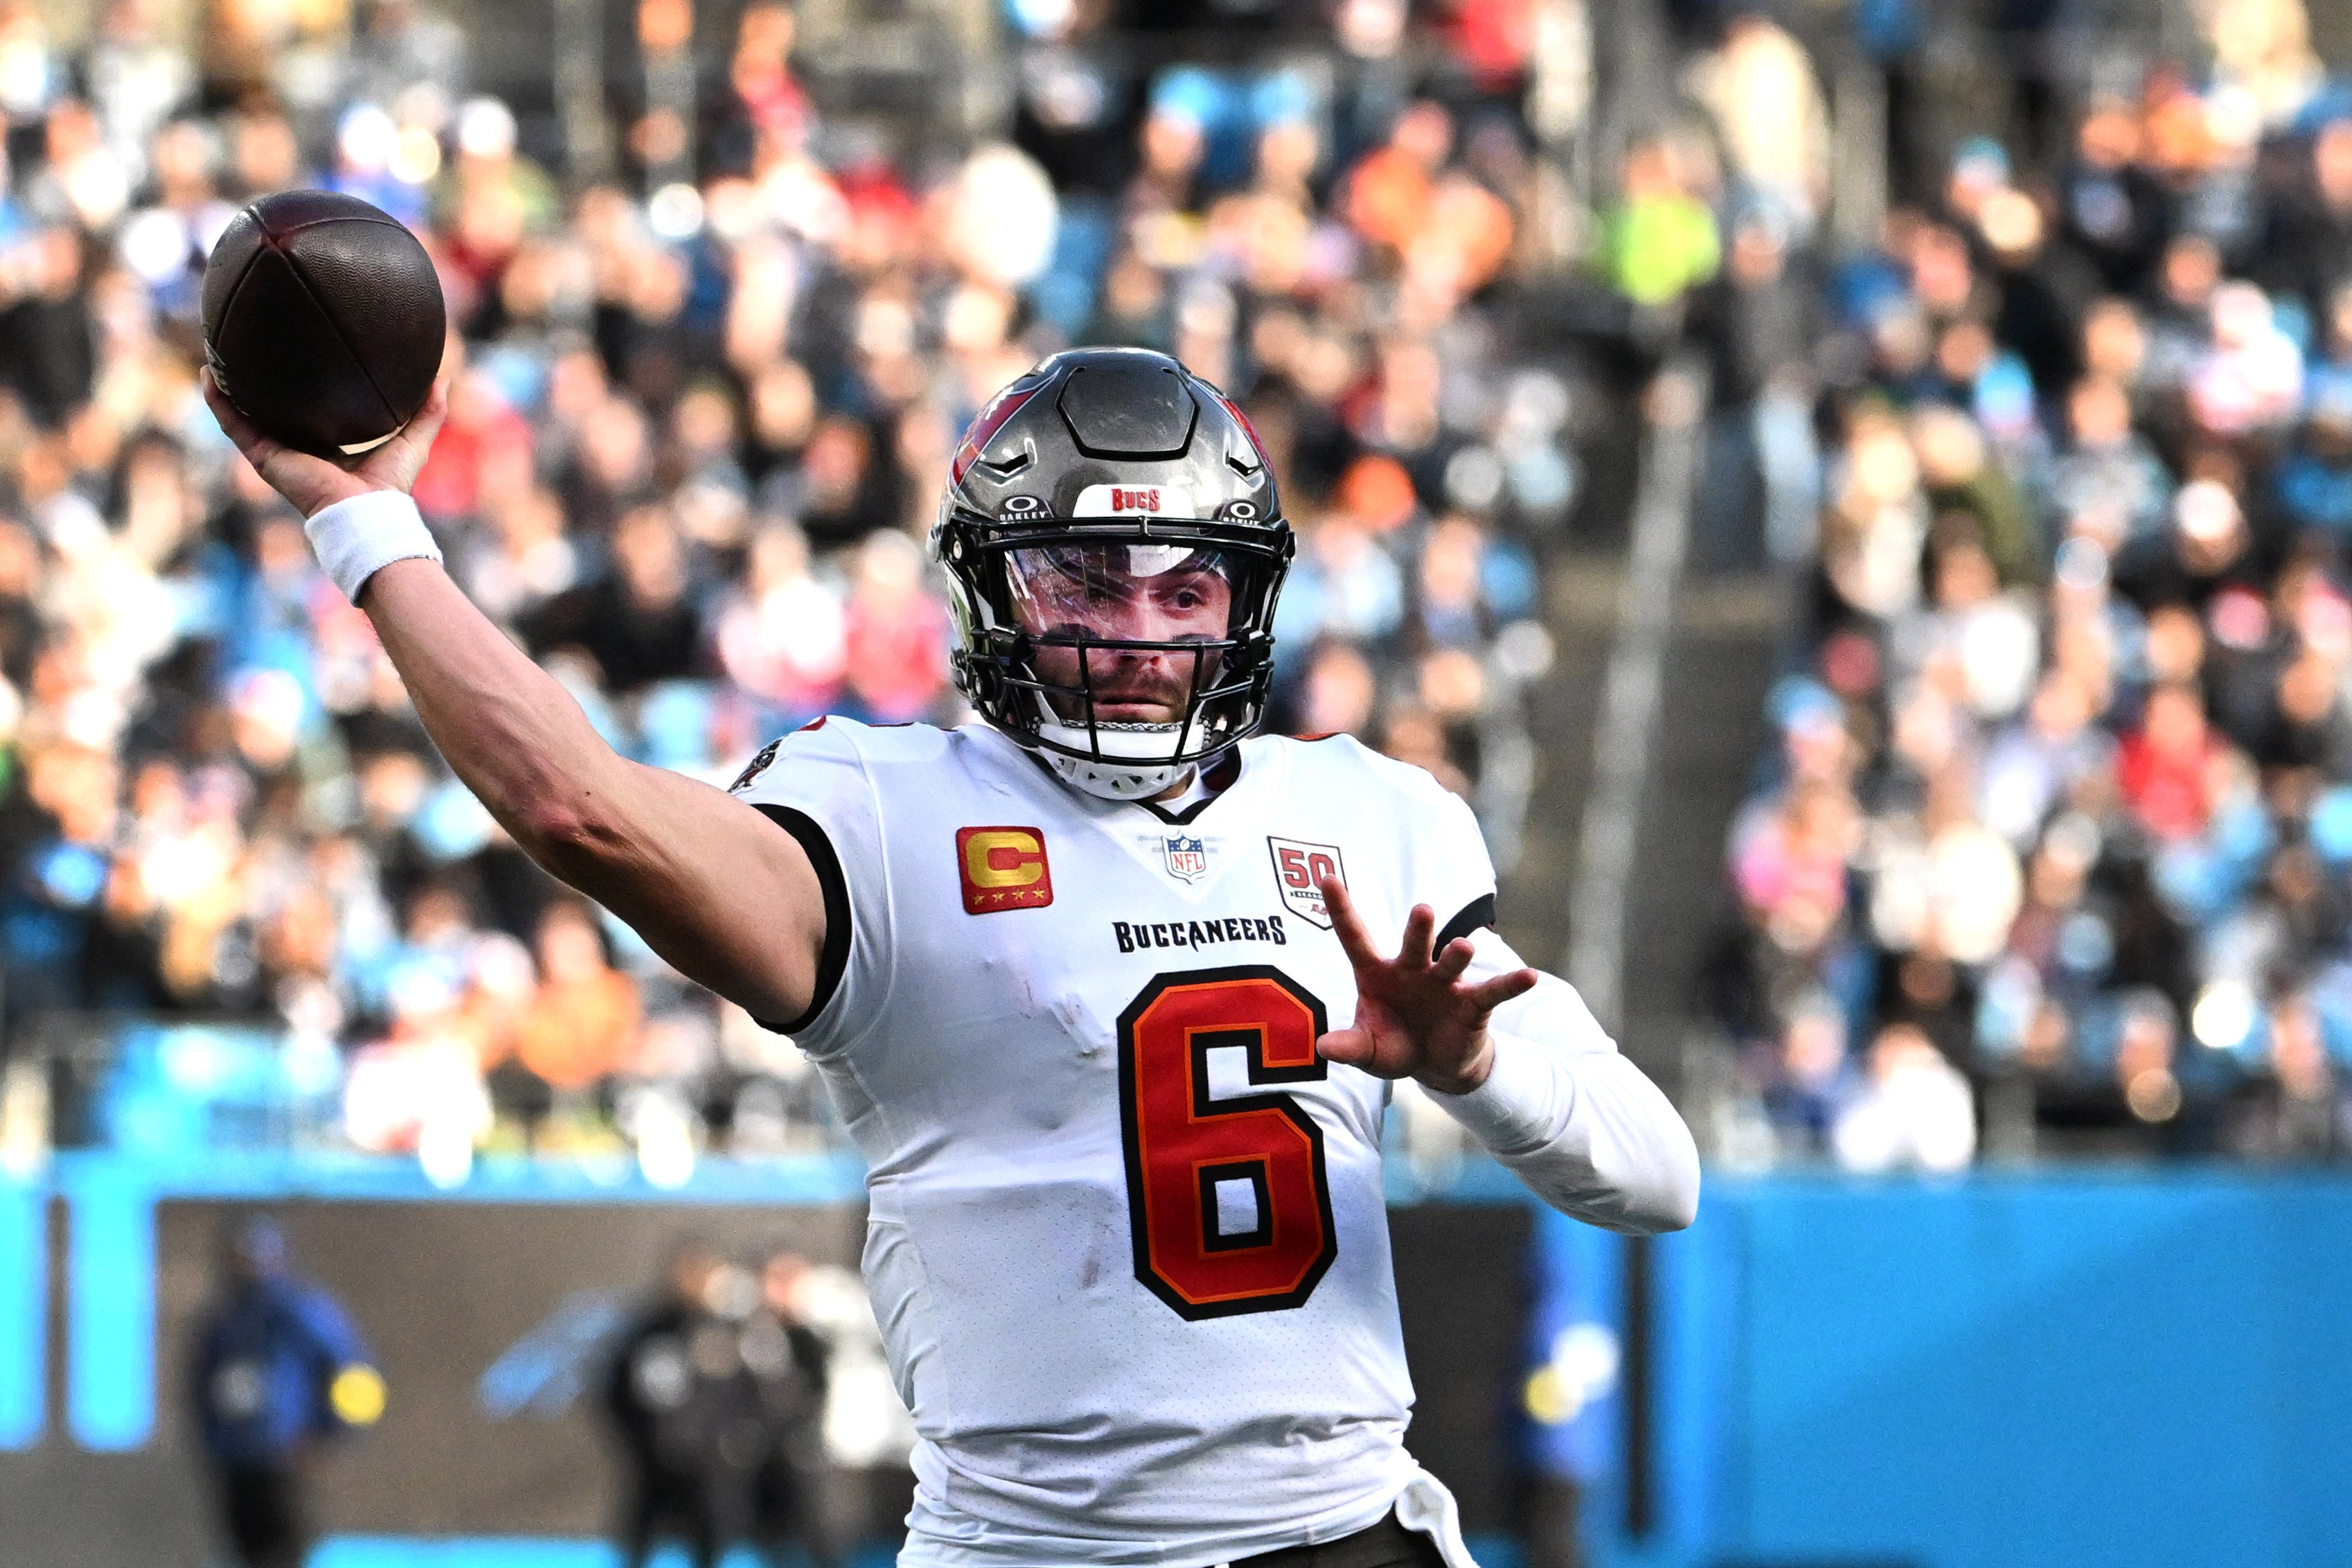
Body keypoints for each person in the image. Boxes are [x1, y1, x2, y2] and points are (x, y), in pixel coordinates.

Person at [206, 345, 1699, 1568]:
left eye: (1183, 589)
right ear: (993, 590)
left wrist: (1476, 1061)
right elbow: (577, 808)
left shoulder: (1373, 817)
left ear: (1246, 603)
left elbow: (1655, 1178)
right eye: (1086, 584)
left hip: (1341, 1533)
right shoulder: (887, 816)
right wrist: (369, 528)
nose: (1138, 634)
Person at [189, 1217, 384, 1568]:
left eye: (254, 1257)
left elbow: (354, 1373)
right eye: (239, 1257)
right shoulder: (224, 1320)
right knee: (248, 1549)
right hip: (236, 1462)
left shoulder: (302, 1313)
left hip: (286, 1458)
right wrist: (213, 1444)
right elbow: (203, 1386)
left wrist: (331, 1434)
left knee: (286, 1550)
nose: (246, 1267)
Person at [602, 1239, 737, 1568]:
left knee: (711, 1539)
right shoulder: (648, 1332)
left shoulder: (725, 1332)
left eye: (705, 1275)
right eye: (689, 1274)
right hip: (655, 1462)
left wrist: (726, 1442)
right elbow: (615, 1393)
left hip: (707, 1465)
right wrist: (643, 1441)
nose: (696, 1283)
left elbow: (741, 1396)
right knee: (640, 1541)